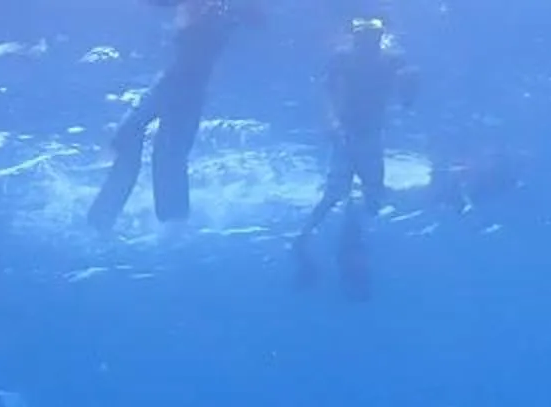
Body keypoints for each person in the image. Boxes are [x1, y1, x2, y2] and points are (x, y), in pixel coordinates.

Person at [88, 0, 263, 232]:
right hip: (177, 84)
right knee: (149, 145)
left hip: (184, 87)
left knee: (162, 150)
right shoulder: (216, 10)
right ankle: (151, 217)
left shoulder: (222, 11)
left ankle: (165, 220)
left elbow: (253, 18)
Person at [292, 17, 419, 299]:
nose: (366, 44)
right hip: (348, 134)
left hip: (367, 134)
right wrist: (331, 122)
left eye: (371, 37)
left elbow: (407, 97)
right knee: (339, 193)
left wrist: (410, 83)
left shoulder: (392, 59)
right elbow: (325, 90)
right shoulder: (344, 57)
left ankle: (338, 235)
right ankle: (308, 238)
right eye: (362, 38)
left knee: (370, 196)